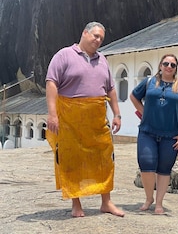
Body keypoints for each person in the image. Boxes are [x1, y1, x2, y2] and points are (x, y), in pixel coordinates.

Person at [45, 22, 125, 218]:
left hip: (97, 117)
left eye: (101, 38)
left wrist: (117, 114)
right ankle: (76, 203)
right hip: (71, 117)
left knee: (105, 158)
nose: (98, 40)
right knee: (72, 160)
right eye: (95, 36)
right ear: (84, 33)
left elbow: (111, 89)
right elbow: (51, 82)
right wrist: (53, 114)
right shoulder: (64, 55)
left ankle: (106, 202)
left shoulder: (103, 60)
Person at [130, 54, 178, 214]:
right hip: (147, 132)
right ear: (160, 65)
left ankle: (159, 203)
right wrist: (144, 112)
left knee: (164, 169)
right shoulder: (149, 82)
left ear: (176, 68)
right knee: (146, 164)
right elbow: (134, 96)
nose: (169, 67)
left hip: (170, 135)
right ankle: (149, 197)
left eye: (173, 65)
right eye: (166, 63)